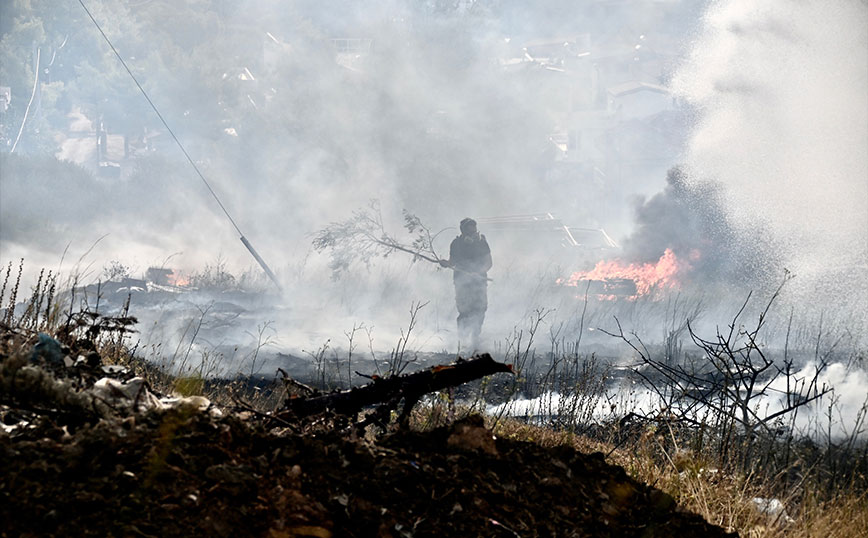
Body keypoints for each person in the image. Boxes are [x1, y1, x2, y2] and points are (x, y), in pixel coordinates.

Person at [439, 218, 492, 350]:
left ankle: (475, 339)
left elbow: (488, 263)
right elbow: (452, 262)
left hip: (479, 281)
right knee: (464, 310)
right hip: (461, 282)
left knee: (480, 309)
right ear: (463, 230)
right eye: (470, 229)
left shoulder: (482, 242)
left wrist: (478, 272)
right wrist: (445, 263)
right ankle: (462, 340)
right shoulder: (456, 244)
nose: (473, 231)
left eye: (474, 228)